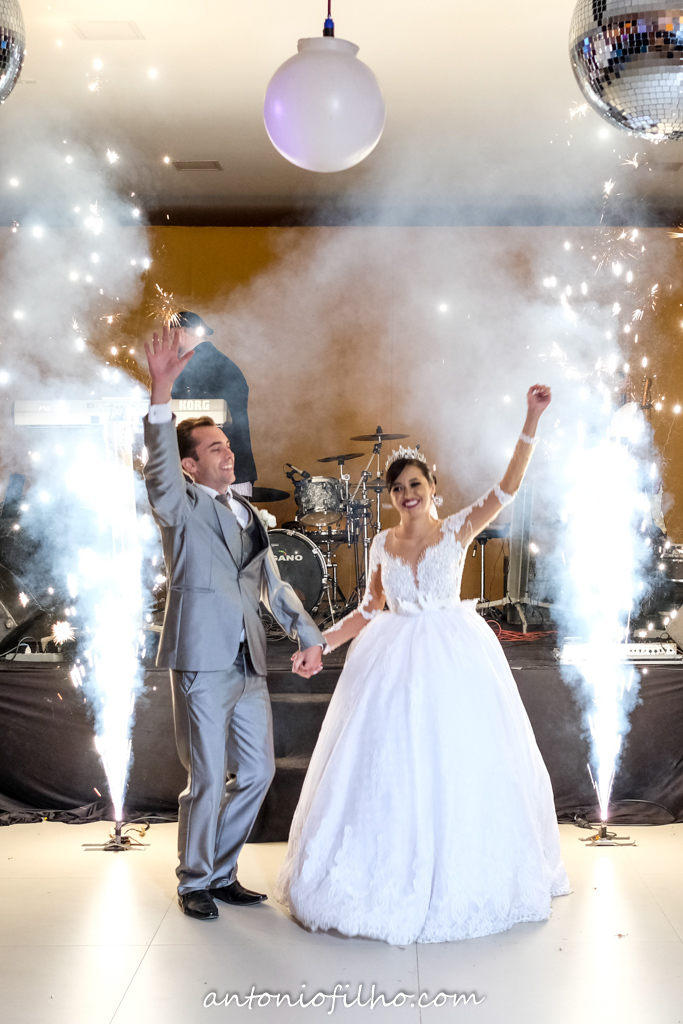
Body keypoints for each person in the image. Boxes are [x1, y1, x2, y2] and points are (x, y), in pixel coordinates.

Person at [276, 385, 571, 944]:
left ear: (433, 488)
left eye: (415, 484)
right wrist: (322, 644)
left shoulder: (457, 528)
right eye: (398, 488)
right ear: (390, 497)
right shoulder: (382, 544)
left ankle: (458, 870)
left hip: (451, 653)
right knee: (387, 764)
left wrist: (531, 418)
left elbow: (508, 487)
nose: (407, 493)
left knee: (454, 760)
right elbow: (368, 609)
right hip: (392, 655)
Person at [144, 326, 324, 921]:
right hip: (201, 657)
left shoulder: (247, 511)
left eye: (227, 444)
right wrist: (160, 392)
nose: (228, 452)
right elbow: (159, 472)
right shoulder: (180, 505)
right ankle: (194, 880)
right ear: (190, 464)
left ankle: (220, 872)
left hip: (249, 660)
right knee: (205, 777)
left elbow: (272, 584)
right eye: (214, 448)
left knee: (258, 772)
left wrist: (308, 635)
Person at [171, 311, 257, 495]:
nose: (166, 342)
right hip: (232, 469)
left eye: (169, 335)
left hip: (214, 475)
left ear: (180, 332)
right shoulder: (217, 361)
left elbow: (182, 422)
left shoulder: (193, 365)